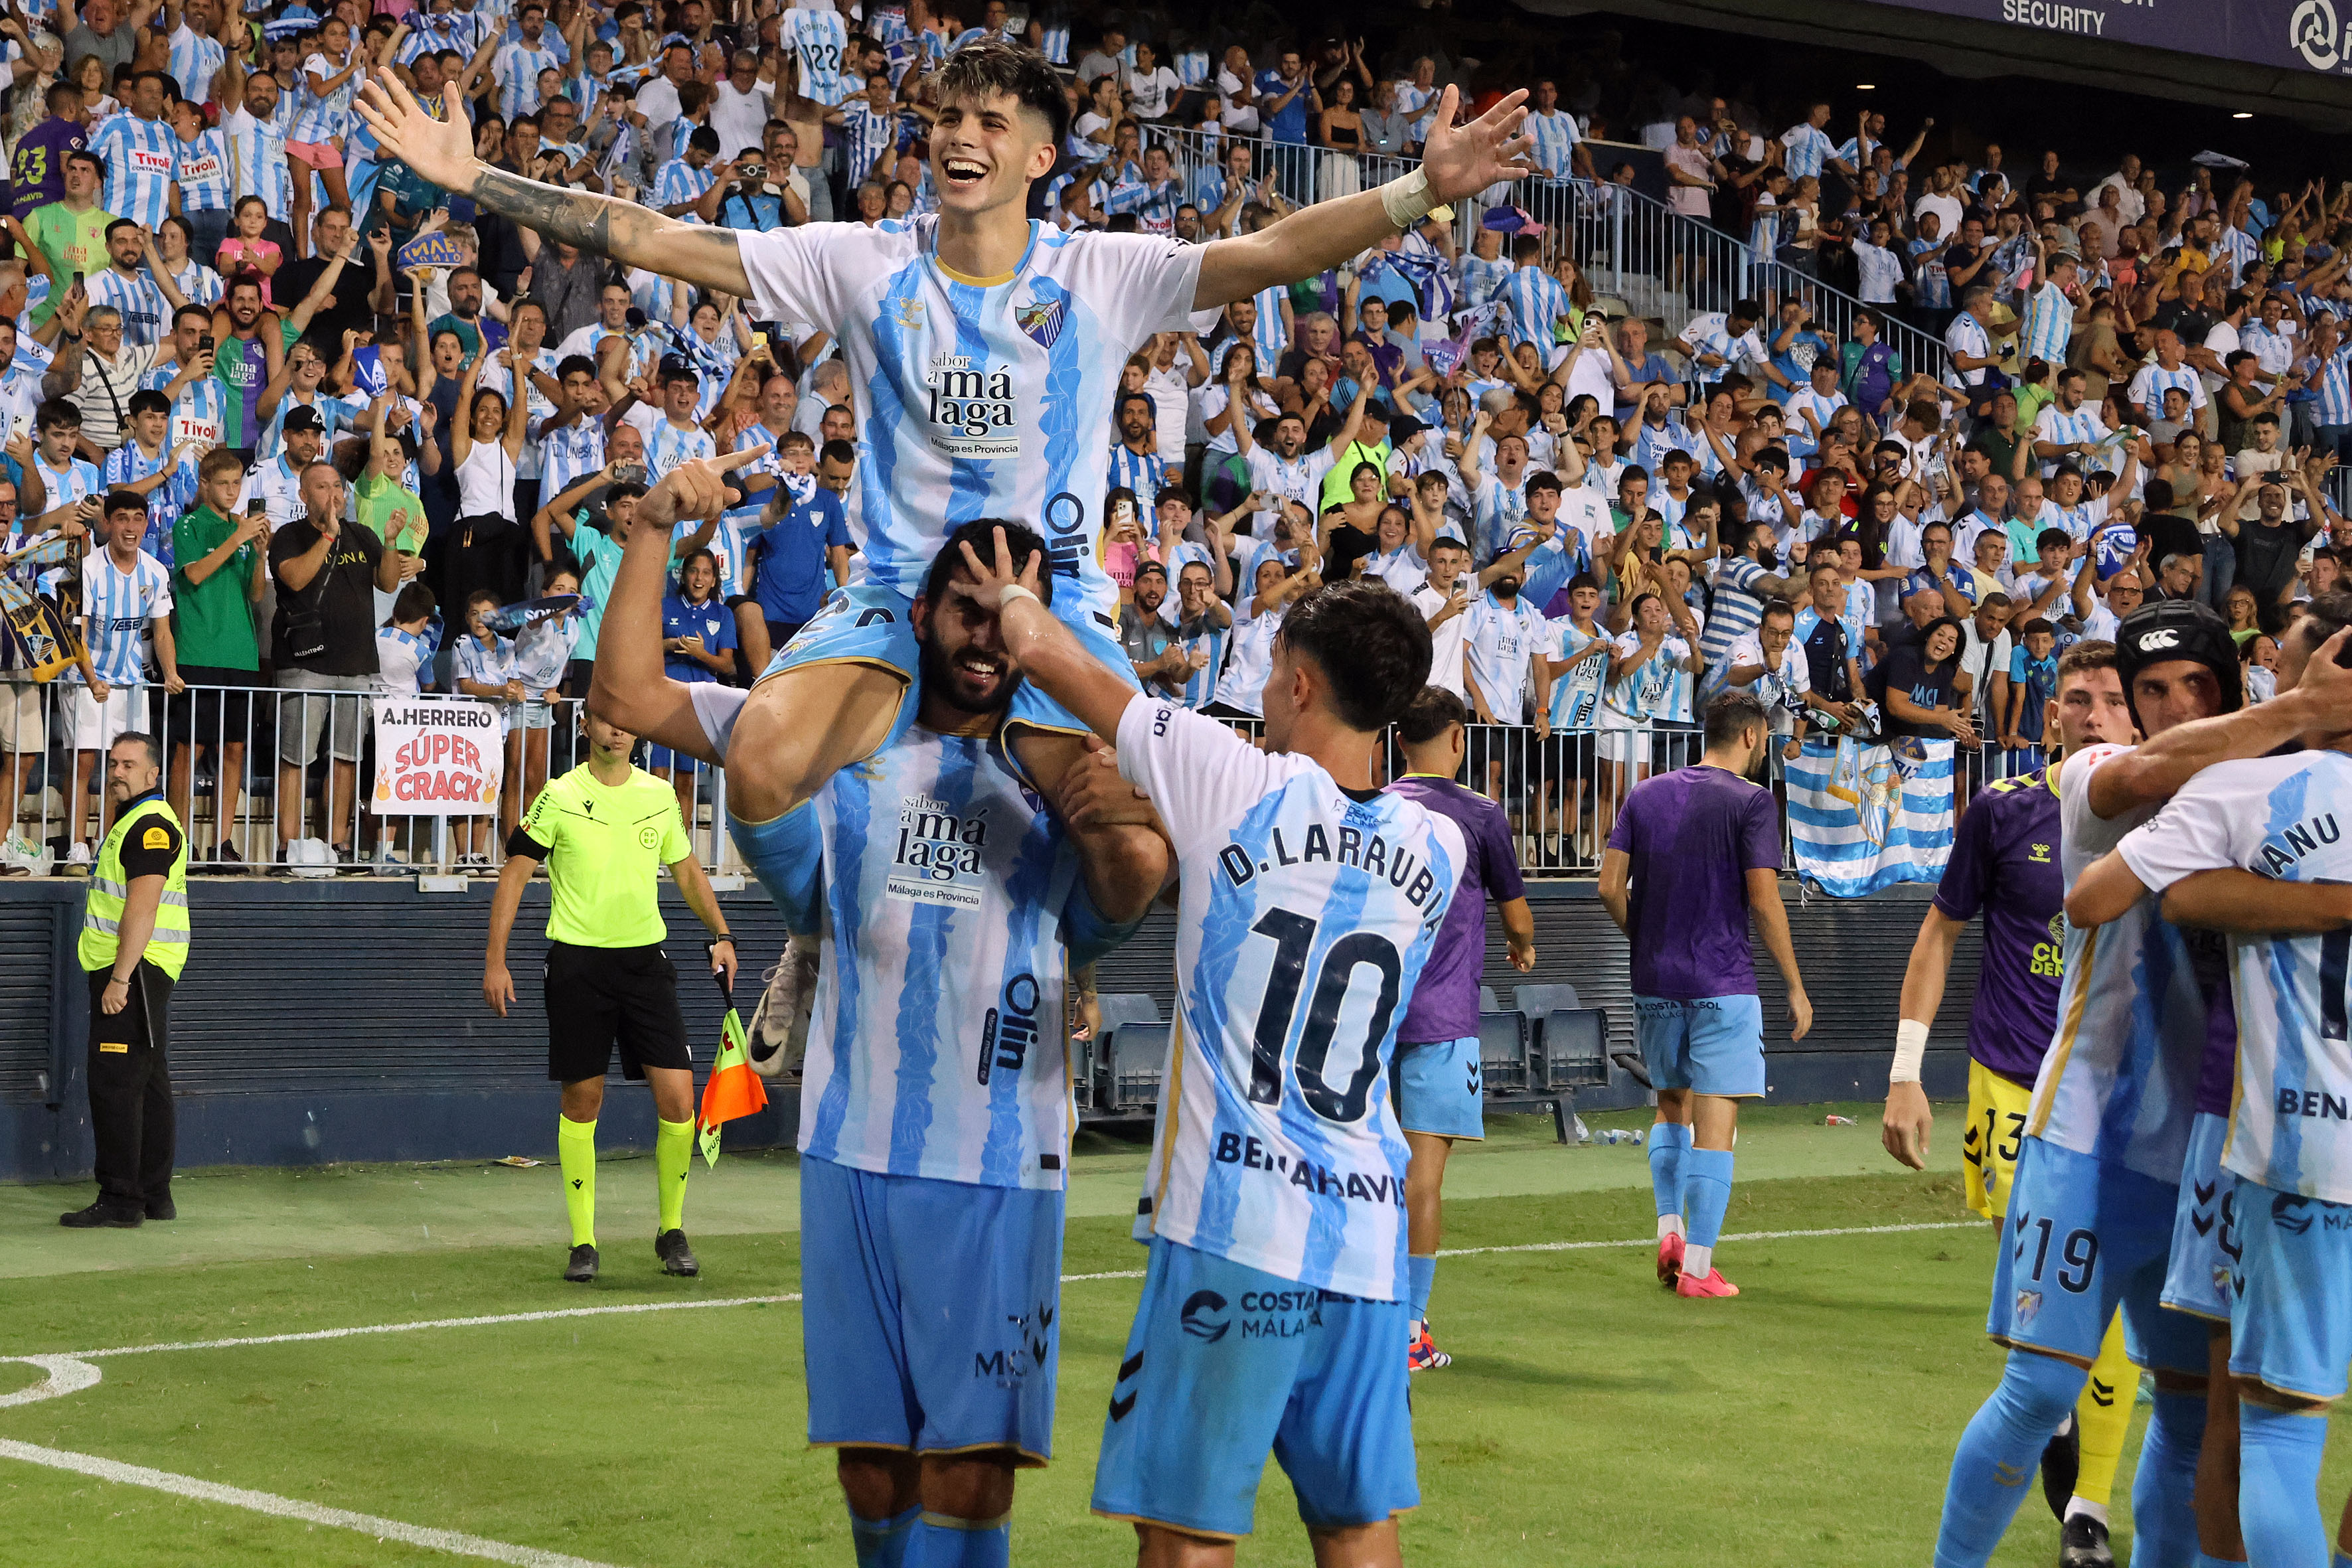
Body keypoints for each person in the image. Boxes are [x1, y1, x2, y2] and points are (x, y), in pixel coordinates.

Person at [353, 37, 1533, 1020]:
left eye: (987, 118)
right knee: (762, 756)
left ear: (1038, 154)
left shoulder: (1102, 271)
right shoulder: (861, 262)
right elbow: (661, 240)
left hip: (1056, 609)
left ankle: (1062, 965)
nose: (958, 135)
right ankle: (812, 937)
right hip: (896, 603)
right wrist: (476, 183)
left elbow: (1270, 252)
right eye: (943, 117)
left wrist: (1419, 189)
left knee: (1133, 856)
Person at [578, 463, 1160, 1567]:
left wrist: (1105, 824)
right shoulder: (837, 741)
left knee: (972, 1462)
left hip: (1000, 1155)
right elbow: (631, 699)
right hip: (852, 1144)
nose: (988, 639)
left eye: (1012, 618)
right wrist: (652, 528)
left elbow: (1131, 892)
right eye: (967, 612)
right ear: (922, 615)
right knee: (870, 1458)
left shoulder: (1058, 775)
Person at [951, 534, 1458, 1565]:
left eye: (1273, 670)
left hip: (1235, 1220)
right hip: (1365, 1233)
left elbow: (1050, 654)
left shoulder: (1232, 780)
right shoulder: (1436, 846)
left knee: (1185, 1529)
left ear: (1302, 683)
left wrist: (1004, 592)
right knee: (1358, 1521)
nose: (1263, 689)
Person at [1927, 599, 2342, 1568]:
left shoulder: (2282, 792)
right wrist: (2297, 706)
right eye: (2142, 692)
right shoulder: (2090, 779)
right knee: (2035, 1393)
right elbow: (2147, 775)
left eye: (2188, 685)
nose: (2163, 708)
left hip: (2212, 1151)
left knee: (2190, 1414)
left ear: (2227, 687)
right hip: (2084, 1134)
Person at [2078, 591, 2352, 1568]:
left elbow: (2116, 893)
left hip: (2269, 1128)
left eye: (2290, 664)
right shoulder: (2224, 769)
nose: (2276, 676)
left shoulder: (2242, 788)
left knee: (2245, 1418)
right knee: (2209, 1406)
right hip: (2243, 1109)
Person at [1881, 639, 2142, 1564]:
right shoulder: (2001, 812)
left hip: (2122, 1098)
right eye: (2076, 697)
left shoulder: (2175, 812)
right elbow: (1936, 934)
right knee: (2043, 1300)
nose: (2094, 712)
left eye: (2112, 698)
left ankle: (2090, 1511)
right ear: (2050, 714)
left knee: (2101, 1297)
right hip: (2008, 1084)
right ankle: (2057, 1412)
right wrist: (1904, 1071)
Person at [481, 707, 737, 1283]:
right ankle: (583, 1242)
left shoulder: (658, 794)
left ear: (637, 732)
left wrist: (721, 934)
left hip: (646, 965)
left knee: (678, 1102)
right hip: (577, 966)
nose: (618, 729)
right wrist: (495, 961)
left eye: (627, 721)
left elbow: (688, 870)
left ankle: (671, 1230)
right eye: (606, 720)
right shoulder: (557, 795)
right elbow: (514, 875)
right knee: (583, 1104)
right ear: (586, 728)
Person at [1599, 690, 1812, 1300]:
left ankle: (1668, 1230)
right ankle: (1696, 1268)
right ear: (1751, 736)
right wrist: (1795, 985)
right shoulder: (1751, 802)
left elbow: (1609, 886)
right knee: (1716, 1123)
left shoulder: (1645, 793)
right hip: (1722, 982)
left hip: (1654, 983)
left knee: (1671, 1106)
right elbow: (1765, 900)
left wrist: (1643, 937)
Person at [1385, 684, 1535, 1372]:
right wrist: (1521, 946)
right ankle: (1408, 1329)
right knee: (1423, 1178)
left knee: (1360, 1171)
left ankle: (1354, 1321)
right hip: (1441, 1020)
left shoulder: (1373, 803)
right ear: (1457, 738)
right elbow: (1517, 911)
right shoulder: (1479, 814)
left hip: (1366, 1019)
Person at [59, 732, 189, 1228]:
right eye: (114, 763)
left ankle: (120, 1199)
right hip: (145, 967)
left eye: (130, 765)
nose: (117, 771)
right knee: (149, 1080)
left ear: (154, 774)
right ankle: (155, 1194)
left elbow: (143, 907)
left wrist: (120, 979)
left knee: (116, 1085)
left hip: (133, 969)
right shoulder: (136, 820)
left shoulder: (149, 824)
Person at [268, 459, 406, 862]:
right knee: (295, 758)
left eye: (337, 487)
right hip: (305, 664)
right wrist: (327, 538)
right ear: (304, 496)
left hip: (357, 662)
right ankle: (287, 845)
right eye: (323, 488)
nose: (333, 495)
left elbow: (389, 582)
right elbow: (294, 579)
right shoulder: (289, 535)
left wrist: (393, 541)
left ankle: (338, 842)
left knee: (346, 758)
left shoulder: (362, 535)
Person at [165, 451, 266, 866]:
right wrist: (238, 539)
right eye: (223, 483)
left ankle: (222, 843)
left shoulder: (240, 533)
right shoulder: (189, 525)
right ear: (205, 484)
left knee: (235, 750)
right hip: (199, 650)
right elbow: (195, 574)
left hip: (241, 654)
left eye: (237, 484)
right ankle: (177, 838)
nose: (231, 491)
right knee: (189, 748)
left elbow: (256, 594)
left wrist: (258, 552)